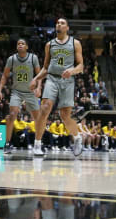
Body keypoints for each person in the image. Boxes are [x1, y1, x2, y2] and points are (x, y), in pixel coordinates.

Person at [30, 18, 85, 157]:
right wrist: (36, 79)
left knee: (65, 116)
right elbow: (46, 68)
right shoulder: (49, 45)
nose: (58, 25)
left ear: (67, 27)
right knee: (45, 108)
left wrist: (71, 71)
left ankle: (77, 138)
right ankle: (37, 145)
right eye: (57, 23)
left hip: (67, 80)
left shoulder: (75, 43)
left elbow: (81, 66)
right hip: (52, 78)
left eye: (62, 23)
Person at [0, 38, 41, 154]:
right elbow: (4, 76)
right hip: (16, 92)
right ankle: (7, 144)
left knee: (38, 118)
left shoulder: (33, 58)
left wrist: (38, 87)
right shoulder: (11, 59)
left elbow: (39, 74)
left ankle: (38, 144)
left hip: (30, 92)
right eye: (18, 44)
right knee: (12, 115)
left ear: (26, 47)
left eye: (23, 43)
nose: (20, 45)